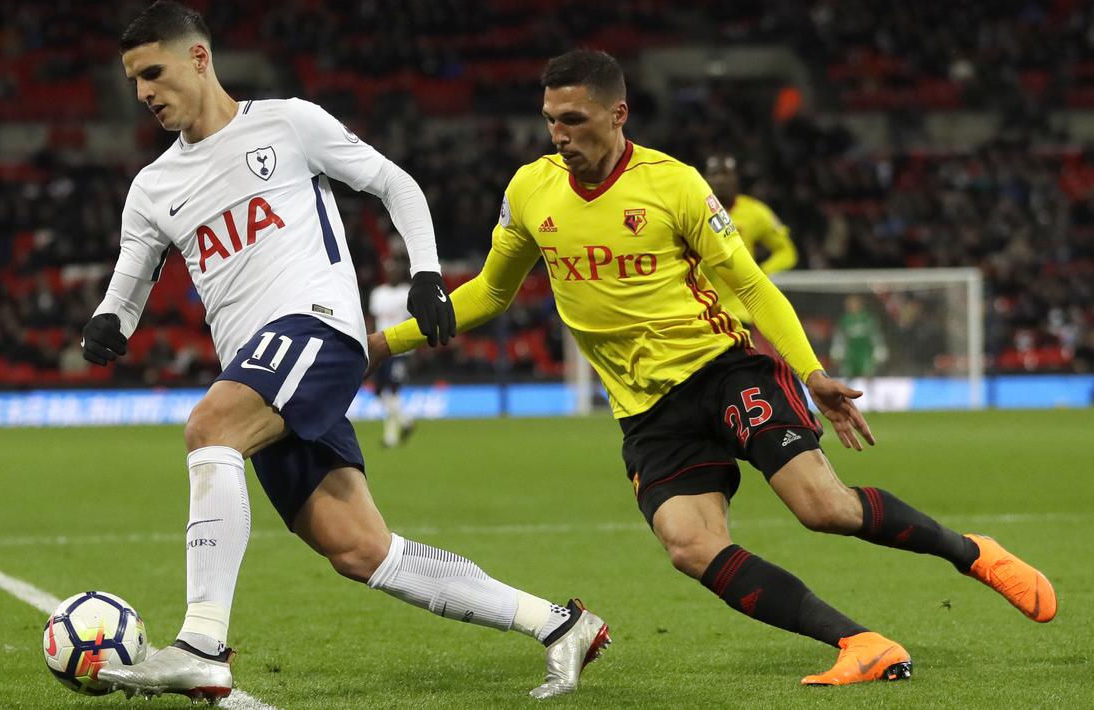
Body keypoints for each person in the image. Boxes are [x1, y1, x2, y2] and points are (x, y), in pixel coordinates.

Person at [369, 49, 1056, 686]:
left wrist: (809, 370)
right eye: (550, 121)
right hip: (645, 411)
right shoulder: (528, 190)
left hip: (724, 370)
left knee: (824, 510)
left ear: (617, 114)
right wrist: (383, 343)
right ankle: (860, 643)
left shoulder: (674, 185)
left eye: (573, 120)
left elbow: (753, 285)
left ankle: (972, 553)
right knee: (689, 546)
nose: (559, 135)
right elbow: (491, 291)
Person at [82, 3, 609, 702]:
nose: (144, 92)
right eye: (133, 80)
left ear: (199, 59)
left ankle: (201, 645)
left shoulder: (288, 123)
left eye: (153, 72)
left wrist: (426, 274)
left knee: (210, 429)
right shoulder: (152, 188)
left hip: (317, 329)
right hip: (261, 365)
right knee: (360, 549)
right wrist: (107, 321)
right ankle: (559, 624)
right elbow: (130, 276)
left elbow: (395, 183)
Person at [702, 152, 797, 326]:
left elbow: (787, 252)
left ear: (736, 178)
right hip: (699, 309)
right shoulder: (694, 210)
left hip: (740, 312)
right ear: (704, 178)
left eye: (725, 174)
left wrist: (762, 272)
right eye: (714, 174)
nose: (720, 180)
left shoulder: (756, 212)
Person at [367, 252, 416, 447]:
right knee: (380, 391)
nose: (392, 273)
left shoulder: (407, 292)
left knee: (393, 390)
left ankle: (391, 437)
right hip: (381, 347)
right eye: (389, 270)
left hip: (400, 350)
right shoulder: (378, 293)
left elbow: (413, 320)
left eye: (395, 270)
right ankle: (406, 422)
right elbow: (372, 320)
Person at [830, 294, 888, 379]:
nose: (852, 305)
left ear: (860, 304)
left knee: (867, 375)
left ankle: (869, 391)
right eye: (849, 303)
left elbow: (876, 335)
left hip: (865, 353)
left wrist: (879, 348)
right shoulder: (844, 320)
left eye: (854, 303)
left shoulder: (868, 318)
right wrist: (837, 350)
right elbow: (839, 337)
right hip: (849, 354)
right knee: (848, 376)